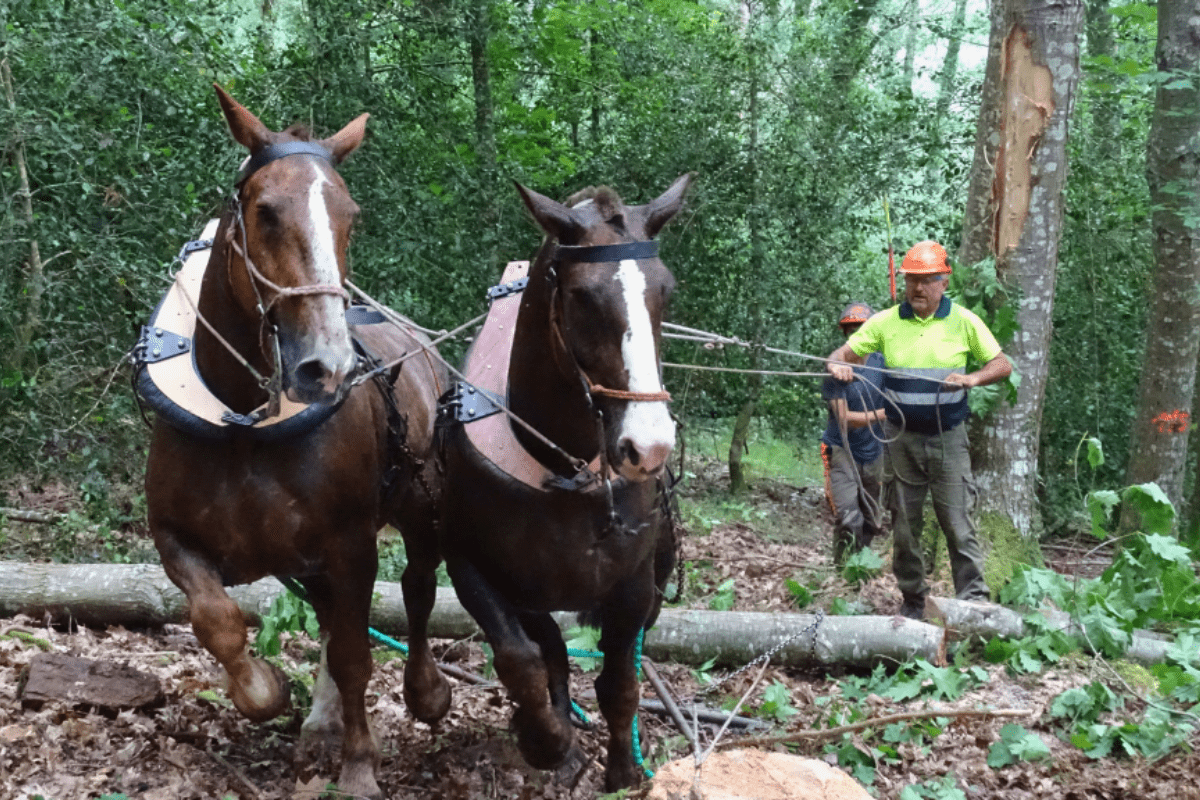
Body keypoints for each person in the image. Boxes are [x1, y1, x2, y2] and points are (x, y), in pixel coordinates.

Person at [825, 241, 1012, 619]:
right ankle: (913, 602)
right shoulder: (885, 322)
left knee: (958, 522)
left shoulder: (964, 321)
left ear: (945, 282)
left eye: (927, 281)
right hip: (901, 437)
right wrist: (838, 365)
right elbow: (841, 354)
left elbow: (1002, 364)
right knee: (905, 526)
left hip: (949, 438)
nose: (918, 289)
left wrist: (973, 378)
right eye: (912, 280)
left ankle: (973, 606)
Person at [820, 302, 887, 567]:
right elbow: (845, 420)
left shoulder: (884, 364)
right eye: (852, 330)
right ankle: (841, 569)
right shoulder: (835, 370)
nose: (857, 334)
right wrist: (887, 413)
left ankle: (860, 568)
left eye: (862, 329)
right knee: (849, 518)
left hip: (875, 452)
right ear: (846, 334)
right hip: (841, 450)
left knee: (871, 519)